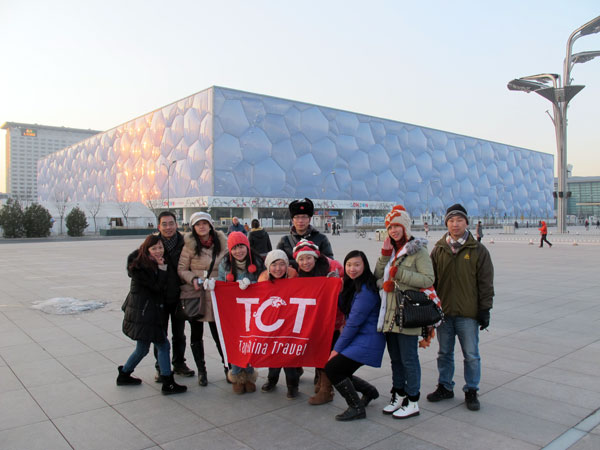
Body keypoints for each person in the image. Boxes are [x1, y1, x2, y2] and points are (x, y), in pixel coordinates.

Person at [427, 203, 494, 411]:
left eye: (459, 220)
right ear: (446, 223)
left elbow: (485, 282)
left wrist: (485, 309)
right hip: (444, 313)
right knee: (444, 353)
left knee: (471, 354)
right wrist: (431, 309)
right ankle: (445, 386)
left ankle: (471, 390)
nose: (455, 224)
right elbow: (431, 282)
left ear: (467, 223)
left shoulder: (478, 250)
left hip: (468, 314)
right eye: (451, 221)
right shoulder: (438, 250)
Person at [374, 205, 435, 419]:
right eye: (390, 227)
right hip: (390, 315)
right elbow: (378, 277)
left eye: (397, 226)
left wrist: (400, 275)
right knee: (396, 359)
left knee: (409, 359)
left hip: (407, 314)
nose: (393, 231)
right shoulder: (390, 251)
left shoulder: (417, 250)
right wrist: (384, 260)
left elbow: (428, 279)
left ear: (405, 227)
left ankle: (413, 399)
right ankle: (398, 394)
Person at [118, 234, 187, 395]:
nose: (158, 251)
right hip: (145, 314)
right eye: (154, 248)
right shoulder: (141, 266)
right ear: (146, 249)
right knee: (163, 345)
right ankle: (168, 382)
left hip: (146, 312)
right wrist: (163, 269)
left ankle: (124, 374)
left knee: (142, 348)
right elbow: (156, 288)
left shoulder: (151, 263)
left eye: (160, 248)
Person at [325, 250, 385, 421]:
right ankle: (369, 391)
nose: (352, 269)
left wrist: (337, 349)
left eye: (357, 265)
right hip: (360, 336)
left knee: (333, 368)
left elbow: (353, 323)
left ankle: (356, 407)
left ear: (364, 266)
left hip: (368, 339)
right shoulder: (353, 284)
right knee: (341, 369)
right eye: (349, 265)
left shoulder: (366, 290)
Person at [177, 212, 229, 386]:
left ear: (211, 225)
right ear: (193, 227)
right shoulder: (189, 246)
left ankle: (228, 367)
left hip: (217, 294)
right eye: (198, 224)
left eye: (205, 223)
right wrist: (193, 278)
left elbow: (230, 263)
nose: (202, 227)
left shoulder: (222, 243)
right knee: (196, 335)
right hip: (197, 294)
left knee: (219, 334)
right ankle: (202, 370)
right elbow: (182, 268)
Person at [293, 239, 344, 405]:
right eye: (301, 259)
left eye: (308, 258)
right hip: (314, 319)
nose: (305, 262)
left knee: (328, 353)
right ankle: (322, 382)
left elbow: (346, 288)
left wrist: (338, 282)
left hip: (333, 319)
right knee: (319, 350)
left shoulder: (332, 267)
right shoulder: (298, 273)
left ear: (315, 257)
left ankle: (326, 390)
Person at [217, 231, 265, 394]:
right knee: (237, 344)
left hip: (253, 311)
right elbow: (222, 285)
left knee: (250, 342)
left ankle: (249, 375)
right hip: (234, 312)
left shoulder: (257, 262)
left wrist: (251, 284)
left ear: (247, 247)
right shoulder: (225, 265)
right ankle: (237, 376)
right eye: (235, 248)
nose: (239, 251)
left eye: (241, 247)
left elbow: (264, 283)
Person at [152, 211, 194, 382]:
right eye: (164, 224)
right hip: (160, 298)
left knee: (179, 334)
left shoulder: (186, 242)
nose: (168, 227)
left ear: (177, 224)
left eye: (171, 223)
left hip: (179, 296)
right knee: (160, 334)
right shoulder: (153, 244)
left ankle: (179, 363)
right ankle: (161, 366)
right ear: (159, 226)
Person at [258, 249, 301, 398]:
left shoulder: (294, 277)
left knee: (289, 359)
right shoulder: (262, 280)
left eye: (282, 264)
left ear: (287, 266)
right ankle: (272, 380)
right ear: (268, 267)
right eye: (274, 265)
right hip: (272, 325)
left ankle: (292, 385)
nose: (278, 269)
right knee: (274, 357)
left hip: (289, 324)